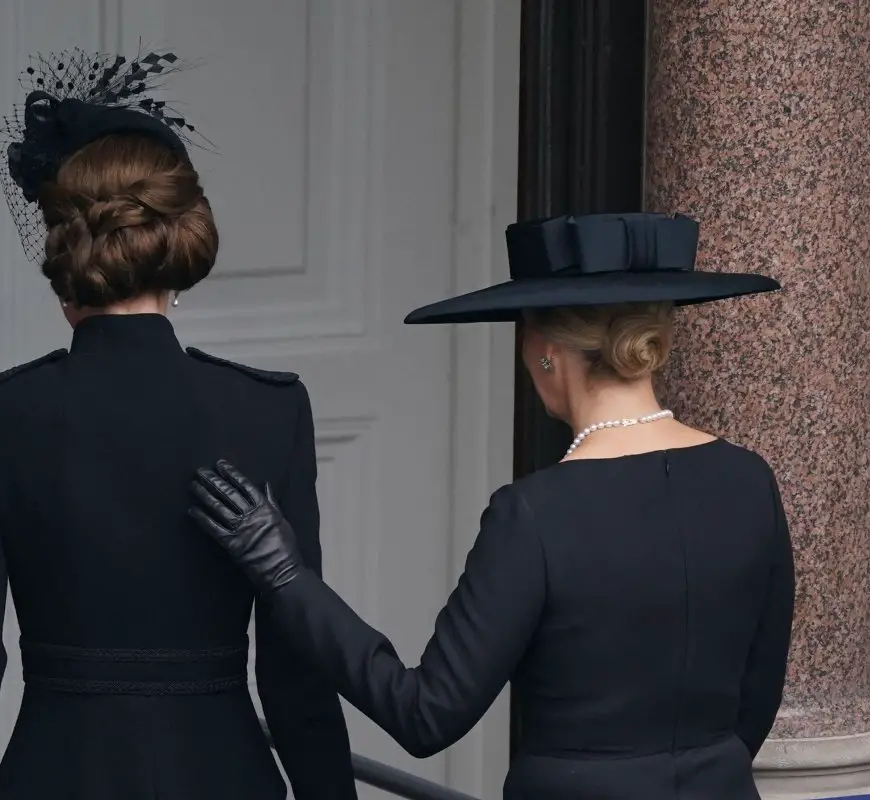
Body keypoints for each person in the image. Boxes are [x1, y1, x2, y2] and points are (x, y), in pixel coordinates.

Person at [187, 212, 796, 800]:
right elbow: (754, 705)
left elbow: (425, 714)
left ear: (545, 349)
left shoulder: (535, 515)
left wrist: (287, 577)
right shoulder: (749, 481)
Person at [0, 49, 357, 800]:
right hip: (225, 777)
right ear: (173, 244)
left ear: (62, 252)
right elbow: (296, 670)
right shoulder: (269, 409)